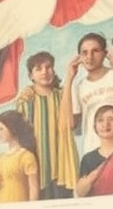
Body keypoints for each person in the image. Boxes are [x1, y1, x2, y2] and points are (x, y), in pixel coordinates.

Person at [14, 50, 77, 199]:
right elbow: (19, 135)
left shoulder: (62, 95)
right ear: (30, 76)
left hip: (62, 165)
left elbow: (72, 124)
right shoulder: (25, 99)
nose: (45, 72)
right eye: (38, 69)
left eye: (48, 67)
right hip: (37, 167)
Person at [60, 31, 113, 158]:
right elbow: (70, 124)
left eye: (95, 51)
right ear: (79, 57)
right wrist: (69, 78)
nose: (89, 56)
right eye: (84, 52)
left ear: (105, 54)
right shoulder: (78, 86)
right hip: (94, 152)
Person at [0, 109, 40, 202]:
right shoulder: (1, 158)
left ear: (13, 129)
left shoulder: (27, 157)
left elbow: (33, 189)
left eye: (1, 129)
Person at [76, 103, 113, 196]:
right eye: (100, 120)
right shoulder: (88, 159)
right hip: (97, 208)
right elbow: (80, 193)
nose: (106, 124)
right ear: (94, 126)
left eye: (111, 119)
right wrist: (91, 179)